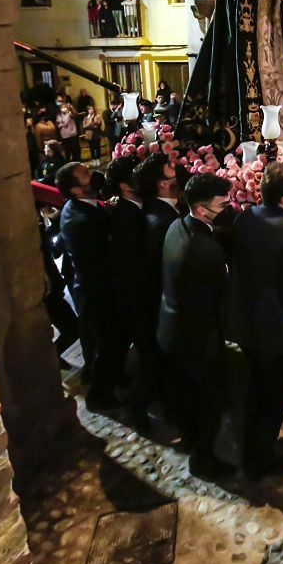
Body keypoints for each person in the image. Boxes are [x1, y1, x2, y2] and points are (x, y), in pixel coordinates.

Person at [231, 162, 283, 480]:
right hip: (270, 325)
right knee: (272, 395)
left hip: (243, 316)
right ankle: (259, 458)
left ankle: (255, 448)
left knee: (256, 389)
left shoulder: (246, 217)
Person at [158, 173, 236, 481]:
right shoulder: (206, 251)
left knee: (189, 395)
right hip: (196, 336)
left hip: (171, 325)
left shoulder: (177, 226)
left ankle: (191, 437)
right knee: (208, 402)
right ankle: (203, 459)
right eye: (223, 203)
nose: (228, 207)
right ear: (203, 210)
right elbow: (222, 296)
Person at [55, 162, 125, 411]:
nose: (93, 174)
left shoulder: (77, 208)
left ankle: (99, 377)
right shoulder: (84, 221)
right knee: (106, 345)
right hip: (98, 291)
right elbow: (106, 249)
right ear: (76, 189)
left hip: (86, 288)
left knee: (95, 341)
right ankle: (99, 396)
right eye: (85, 174)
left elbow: (100, 213)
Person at [133, 154, 184, 422]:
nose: (177, 171)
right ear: (161, 185)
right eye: (171, 171)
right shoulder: (161, 220)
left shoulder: (162, 209)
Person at [104, 156, 149, 424]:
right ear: (124, 185)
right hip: (134, 295)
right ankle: (138, 405)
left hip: (136, 293)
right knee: (149, 354)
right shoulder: (125, 217)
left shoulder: (130, 209)